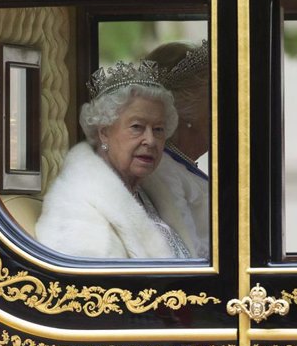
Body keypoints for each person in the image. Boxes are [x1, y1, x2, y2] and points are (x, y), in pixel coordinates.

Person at [35, 60, 198, 258]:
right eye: (137, 127)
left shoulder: (151, 193)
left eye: (158, 129)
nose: (151, 140)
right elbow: (89, 286)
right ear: (104, 132)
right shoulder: (77, 208)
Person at [143, 40, 210, 258]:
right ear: (185, 113)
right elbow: (185, 254)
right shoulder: (163, 172)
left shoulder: (177, 166)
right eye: (212, 104)